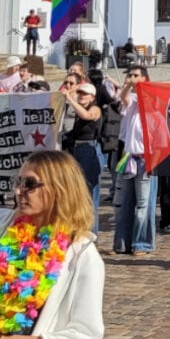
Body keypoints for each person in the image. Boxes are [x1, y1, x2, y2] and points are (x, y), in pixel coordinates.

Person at [0, 151, 104, 339]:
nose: (19, 191)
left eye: (30, 184)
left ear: (59, 189)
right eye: (18, 182)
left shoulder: (81, 254)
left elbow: (84, 335)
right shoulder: (4, 225)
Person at [112, 65, 156, 256]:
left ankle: (141, 243)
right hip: (129, 157)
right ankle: (121, 243)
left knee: (142, 204)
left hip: (146, 158)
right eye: (130, 74)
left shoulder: (151, 98)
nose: (132, 77)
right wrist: (128, 86)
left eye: (136, 75)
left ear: (145, 78)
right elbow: (123, 98)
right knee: (121, 202)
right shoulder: (131, 100)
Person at [62, 83, 103, 234]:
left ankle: (91, 232)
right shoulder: (79, 108)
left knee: (88, 193)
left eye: (85, 94)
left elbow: (87, 116)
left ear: (92, 97)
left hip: (88, 149)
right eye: (80, 93)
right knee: (77, 191)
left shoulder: (95, 109)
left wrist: (71, 100)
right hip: (76, 149)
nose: (81, 96)